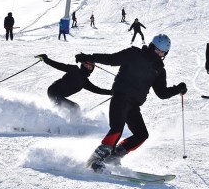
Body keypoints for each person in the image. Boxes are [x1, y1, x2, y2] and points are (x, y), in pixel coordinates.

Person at [75, 34, 188, 173]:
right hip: (120, 98)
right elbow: (112, 59)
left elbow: (162, 93)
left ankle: (114, 156)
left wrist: (178, 89)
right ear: (152, 46)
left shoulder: (159, 70)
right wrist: (90, 57)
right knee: (117, 129)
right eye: (157, 50)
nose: (159, 53)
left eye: (162, 52)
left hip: (134, 105)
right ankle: (96, 159)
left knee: (141, 134)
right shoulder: (134, 53)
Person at [36, 54, 112, 114]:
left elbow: (97, 90)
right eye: (87, 65)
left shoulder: (85, 82)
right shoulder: (74, 69)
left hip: (60, 95)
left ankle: (69, 124)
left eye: (90, 67)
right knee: (70, 107)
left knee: (75, 108)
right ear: (83, 64)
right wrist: (46, 60)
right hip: (54, 90)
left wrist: (112, 92)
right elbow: (59, 65)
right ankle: (45, 121)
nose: (88, 67)